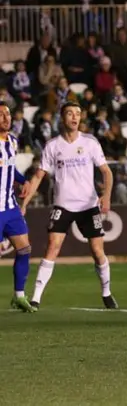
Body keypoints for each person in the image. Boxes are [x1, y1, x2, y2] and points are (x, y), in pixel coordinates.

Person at [20, 102, 117, 311]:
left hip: (88, 205)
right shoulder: (53, 146)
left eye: (78, 114)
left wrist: (106, 196)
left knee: (97, 250)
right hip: (63, 204)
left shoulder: (90, 143)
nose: (74, 117)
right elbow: (39, 176)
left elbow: (107, 172)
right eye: (70, 114)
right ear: (62, 118)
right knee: (52, 247)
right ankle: (36, 298)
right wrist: (25, 203)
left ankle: (107, 293)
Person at [0, 103, 36, 312]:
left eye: (8, 114)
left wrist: (24, 181)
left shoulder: (13, 141)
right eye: (1, 115)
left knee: (24, 249)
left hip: (11, 207)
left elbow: (11, 169)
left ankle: (19, 296)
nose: (6, 118)